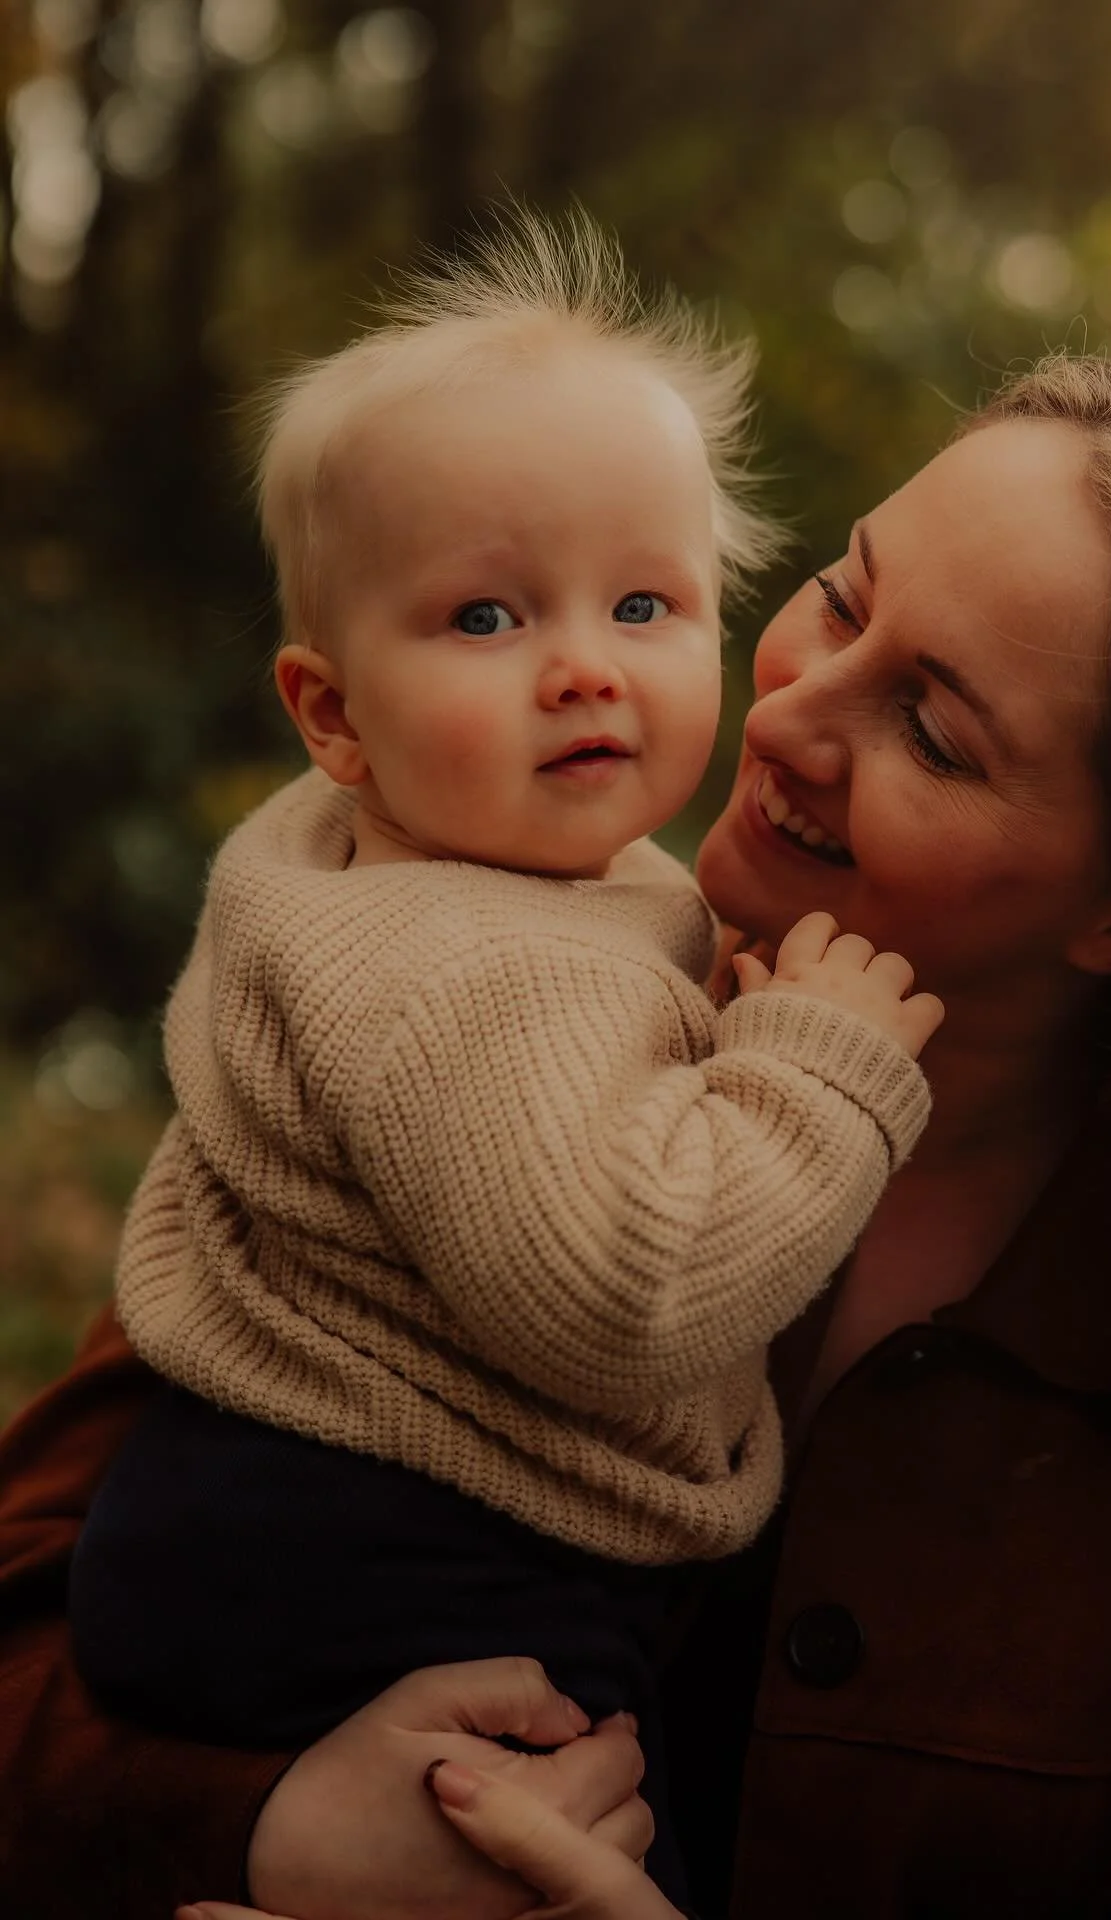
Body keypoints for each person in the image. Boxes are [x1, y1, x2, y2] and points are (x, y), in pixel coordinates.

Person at [6, 343, 1111, 1919]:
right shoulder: (489, 987)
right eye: (840, 595)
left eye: (937, 735)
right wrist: (257, 1829)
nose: (790, 721)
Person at [58, 205, 940, 1911]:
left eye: (642, 599)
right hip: (397, 1560)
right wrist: (812, 1072)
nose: (583, 669)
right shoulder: (466, 962)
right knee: (582, 1858)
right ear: (330, 713)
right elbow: (623, 1290)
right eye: (484, 619)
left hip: (268, 1518)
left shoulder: (433, 875)